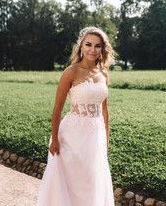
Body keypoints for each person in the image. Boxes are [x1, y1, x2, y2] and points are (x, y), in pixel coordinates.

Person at [36, 27, 115, 206]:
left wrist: (107, 137)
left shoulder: (104, 73)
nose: (92, 50)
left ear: (103, 49)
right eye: (88, 45)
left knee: (91, 180)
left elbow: (104, 109)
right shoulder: (70, 72)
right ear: (80, 46)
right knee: (71, 181)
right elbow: (57, 109)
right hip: (71, 136)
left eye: (97, 46)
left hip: (95, 136)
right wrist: (54, 139)